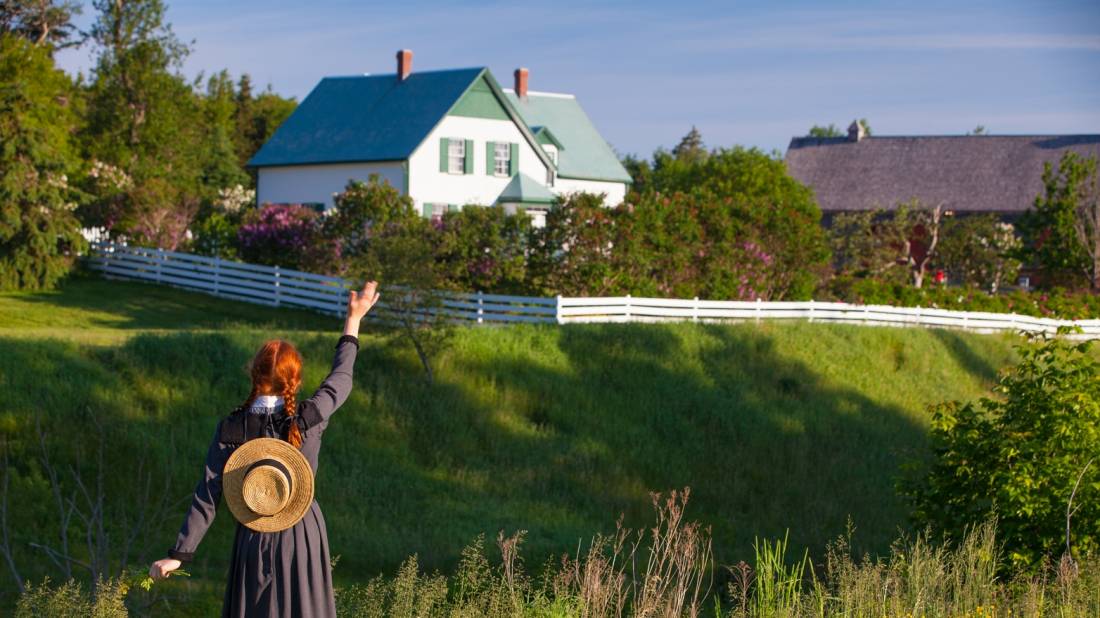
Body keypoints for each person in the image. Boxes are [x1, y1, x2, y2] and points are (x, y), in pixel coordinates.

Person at [149, 280, 381, 617]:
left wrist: (179, 554)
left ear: (254, 376)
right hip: (303, 530)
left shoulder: (231, 428)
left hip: (254, 533)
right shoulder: (308, 417)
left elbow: (207, 495)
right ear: (295, 380)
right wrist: (353, 320)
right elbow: (341, 378)